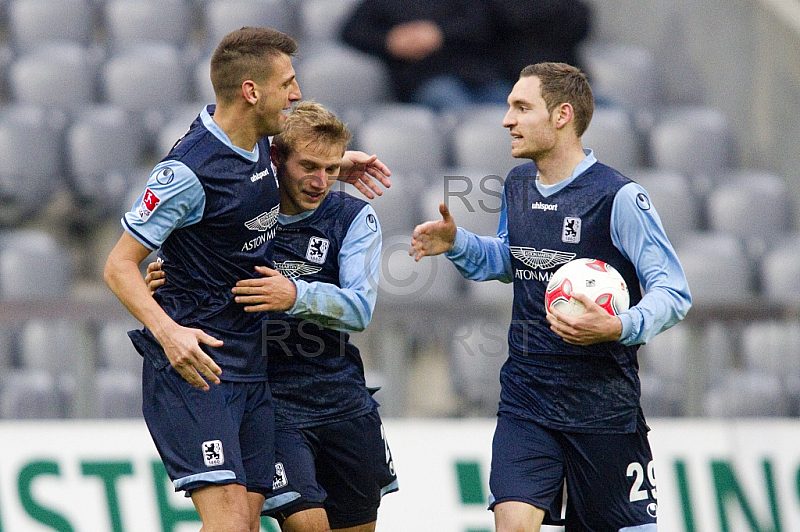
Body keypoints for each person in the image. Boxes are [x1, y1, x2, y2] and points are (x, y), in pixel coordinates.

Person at [104, 27, 390, 532]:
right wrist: (168, 333)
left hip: (251, 368)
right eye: (288, 83)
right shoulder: (188, 171)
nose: (297, 94)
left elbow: (284, 163)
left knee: (250, 519)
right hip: (198, 365)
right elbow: (118, 265)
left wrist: (335, 165)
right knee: (232, 520)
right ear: (252, 92)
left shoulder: (259, 143)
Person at [410, 62, 691, 531]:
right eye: (509, 108)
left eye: (521, 108)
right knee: (514, 522)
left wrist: (618, 325)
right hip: (527, 396)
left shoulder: (617, 197)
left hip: (602, 408)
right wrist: (457, 243)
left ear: (562, 115)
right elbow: (509, 260)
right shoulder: (518, 185)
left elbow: (673, 291)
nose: (507, 121)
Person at [340, 0, 511, 112]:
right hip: (424, 78)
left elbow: (486, 25)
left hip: (479, 76)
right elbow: (352, 31)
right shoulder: (382, 4)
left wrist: (439, 33)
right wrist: (390, 41)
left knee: (513, 108)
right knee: (451, 101)